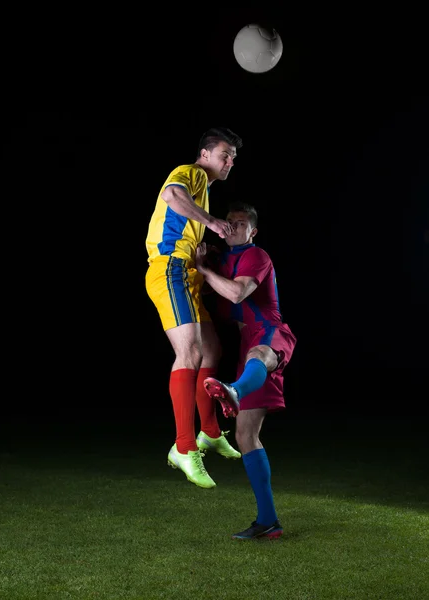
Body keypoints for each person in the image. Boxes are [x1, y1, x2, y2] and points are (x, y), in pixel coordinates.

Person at [145, 127, 244, 490]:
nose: (229, 161)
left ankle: (210, 432)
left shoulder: (202, 184)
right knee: (189, 352)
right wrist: (211, 222)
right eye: (224, 154)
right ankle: (184, 448)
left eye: (233, 157)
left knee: (212, 350)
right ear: (205, 154)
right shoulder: (192, 172)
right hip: (169, 267)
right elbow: (172, 194)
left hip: (185, 273)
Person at [195, 201, 297, 539]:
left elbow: (238, 293)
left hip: (269, 333)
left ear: (253, 230)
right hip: (245, 350)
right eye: (231, 222)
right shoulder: (222, 258)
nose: (234, 227)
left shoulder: (257, 255)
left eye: (241, 223)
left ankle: (235, 390)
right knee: (245, 436)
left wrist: (205, 271)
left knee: (259, 353)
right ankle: (268, 521)